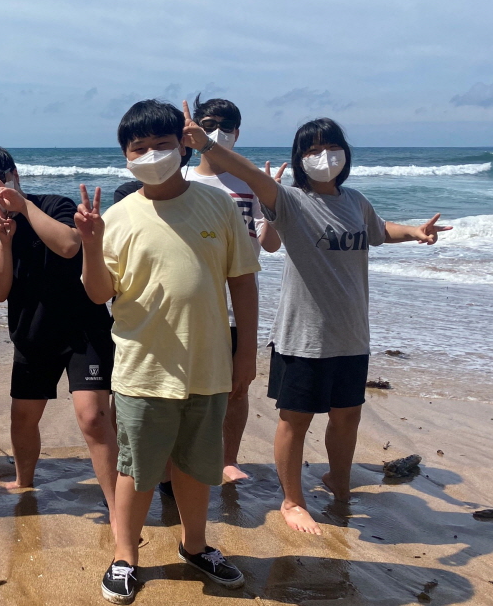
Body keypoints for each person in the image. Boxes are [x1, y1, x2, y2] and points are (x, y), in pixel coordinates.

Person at [179, 104, 451, 536]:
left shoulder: (355, 201)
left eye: (332, 147)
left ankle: (338, 481)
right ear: (300, 158)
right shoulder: (289, 201)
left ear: (345, 153)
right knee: (296, 420)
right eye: (313, 150)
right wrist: (207, 145)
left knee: (347, 417)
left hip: (351, 335)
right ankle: (292, 501)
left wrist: (416, 231)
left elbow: (380, 230)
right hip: (303, 337)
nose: (324, 156)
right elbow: (248, 174)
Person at [81, 100, 260, 603]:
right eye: (138, 148)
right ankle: (125, 556)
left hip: (207, 364)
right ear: (125, 156)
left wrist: (245, 353)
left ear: (183, 145)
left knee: (196, 466)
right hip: (143, 369)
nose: (151, 155)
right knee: (137, 469)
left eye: (161, 144)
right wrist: (91, 244)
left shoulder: (218, 205)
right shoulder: (117, 217)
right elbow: (98, 293)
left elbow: (243, 282)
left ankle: (195, 545)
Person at [116, 96, 282, 487]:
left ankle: (227, 459)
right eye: (209, 125)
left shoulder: (251, 182)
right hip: (184, 311)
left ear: (238, 132)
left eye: (226, 126)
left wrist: (273, 201)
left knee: (234, 389)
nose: (217, 132)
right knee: (175, 392)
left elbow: (268, 246)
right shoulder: (181, 180)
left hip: (234, 301)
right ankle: (172, 468)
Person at [0, 146, 121, 524]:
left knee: (93, 417)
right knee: (22, 419)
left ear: (15, 174)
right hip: (32, 335)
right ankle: (23, 479)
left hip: (84, 330)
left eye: (1, 180)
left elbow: (69, 245)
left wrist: (24, 207)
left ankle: (118, 506)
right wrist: (4, 241)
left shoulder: (53, 204)